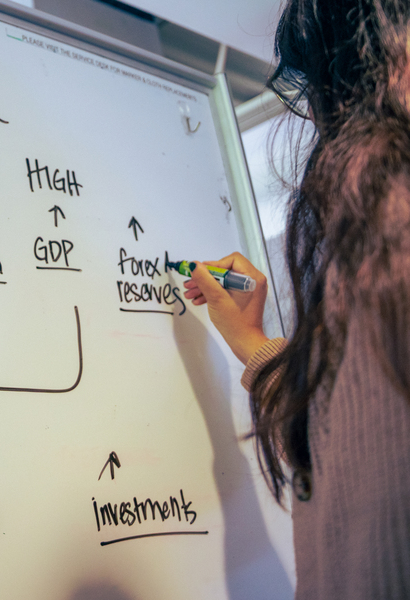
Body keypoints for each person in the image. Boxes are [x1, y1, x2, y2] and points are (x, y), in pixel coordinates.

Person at [182, 0, 410, 598]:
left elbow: (368, 496)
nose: (313, 120)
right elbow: (356, 430)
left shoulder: (390, 224)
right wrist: (260, 349)